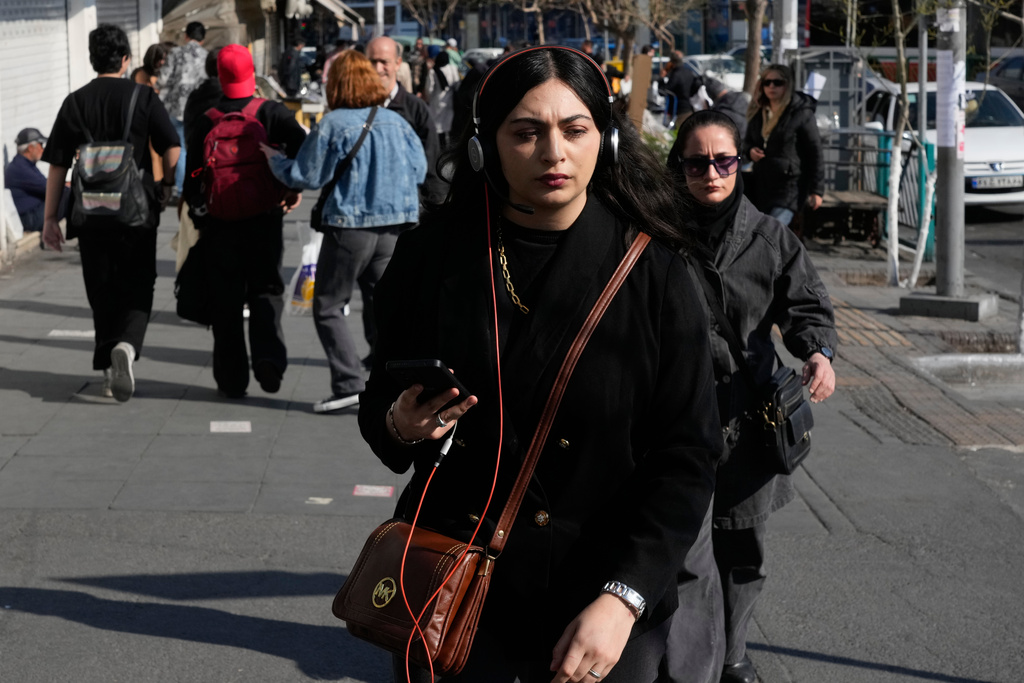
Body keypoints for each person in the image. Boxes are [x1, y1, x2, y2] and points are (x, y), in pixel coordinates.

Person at [357, 46, 723, 683]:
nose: (554, 153)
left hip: (600, 601)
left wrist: (623, 597)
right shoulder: (432, 259)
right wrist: (399, 424)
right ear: (485, 147)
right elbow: (377, 408)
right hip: (455, 589)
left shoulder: (656, 272)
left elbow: (688, 455)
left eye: (574, 130)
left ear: (602, 142)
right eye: (526, 133)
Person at [664, 110, 837, 683]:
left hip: (750, 417)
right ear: (679, 166)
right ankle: (696, 665)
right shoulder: (656, 234)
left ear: (740, 162)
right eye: (697, 162)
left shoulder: (770, 237)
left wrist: (818, 352)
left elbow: (808, 307)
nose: (710, 173)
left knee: (742, 551)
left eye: (723, 160)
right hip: (676, 419)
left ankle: (731, 652)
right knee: (686, 548)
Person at [264, 50, 425, 413]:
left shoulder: (335, 123)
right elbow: (419, 169)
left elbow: (306, 175)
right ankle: (393, 381)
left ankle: (348, 382)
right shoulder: (396, 122)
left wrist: (273, 158)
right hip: (394, 227)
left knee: (328, 305)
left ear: (336, 84)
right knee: (381, 302)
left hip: (350, 227)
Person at [41, 24, 180, 402]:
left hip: (90, 213)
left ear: (91, 59)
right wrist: (166, 185)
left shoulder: (74, 102)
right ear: (125, 60)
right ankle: (128, 347)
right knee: (139, 282)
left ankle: (107, 368)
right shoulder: (143, 97)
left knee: (101, 287)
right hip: (137, 210)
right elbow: (172, 145)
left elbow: (56, 164)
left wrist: (50, 218)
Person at [183, 44, 307, 399]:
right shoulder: (270, 112)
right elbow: (304, 148)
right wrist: (290, 186)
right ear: (253, 74)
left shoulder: (207, 118)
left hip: (220, 224)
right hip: (264, 219)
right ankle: (268, 357)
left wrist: (198, 212)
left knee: (225, 300)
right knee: (266, 289)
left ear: (219, 77)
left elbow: (192, 177)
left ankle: (232, 377)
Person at [365, 36, 446, 204]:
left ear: (397, 63)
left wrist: (436, 210)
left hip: (406, 208)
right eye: (372, 62)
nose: (378, 68)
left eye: (384, 62)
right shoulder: (355, 107)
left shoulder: (416, 109)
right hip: (363, 210)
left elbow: (431, 164)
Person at [742, 64, 824, 228]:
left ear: (787, 85)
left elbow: (815, 151)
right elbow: (747, 143)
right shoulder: (759, 111)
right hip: (761, 185)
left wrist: (817, 190)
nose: (771, 86)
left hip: (789, 186)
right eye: (767, 82)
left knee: (771, 231)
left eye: (777, 82)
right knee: (757, 232)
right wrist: (750, 152)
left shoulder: (801, 112)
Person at [158, 21, 208, 194]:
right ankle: (197, 185)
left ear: (186, 36)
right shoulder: (206, 56)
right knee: (197, 147)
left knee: (180, 147)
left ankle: (181, 189)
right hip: (199, 109)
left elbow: (163, 79)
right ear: (202, 39)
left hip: (175, 108)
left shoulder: (175, 53)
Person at [4, 128, 52, 232]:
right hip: (28, 218)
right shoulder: (20, 168)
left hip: (33, 212)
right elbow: (49, 188)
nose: (42, 149)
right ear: (30, 148)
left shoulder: (26, 164)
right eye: (40, 145)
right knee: (66, 196)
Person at [424, 50, 460, 148]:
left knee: (438, 126)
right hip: (449, 101)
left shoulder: (433, 70)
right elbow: (457, 84)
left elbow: (429, 89)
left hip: (437, 101)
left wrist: (428, 99)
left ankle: (439, 145)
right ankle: (449, 145)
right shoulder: (453, 68)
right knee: (448, 125)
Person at [661, 51, 696, 127]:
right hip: (689, 108)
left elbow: (664, 90)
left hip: (678, 111)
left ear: (672, 63)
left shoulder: (675, 75)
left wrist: (662, 77)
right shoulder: (689, 72)